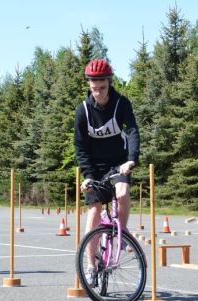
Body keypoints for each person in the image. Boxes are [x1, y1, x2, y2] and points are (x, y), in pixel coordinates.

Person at [74, 59, 140, 283]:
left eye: (102, 88)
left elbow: (131, 131)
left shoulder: (121, 103)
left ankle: (121, 231)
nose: (99, 93)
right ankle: (91, 264)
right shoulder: (83, 110)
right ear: (89, 86)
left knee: (122, 193)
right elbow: (80, 146)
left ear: (109, 83)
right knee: (94, 211)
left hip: (119, 161)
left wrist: (131, 160)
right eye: (94, 89)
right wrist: (88, 175)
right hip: (95, 167)